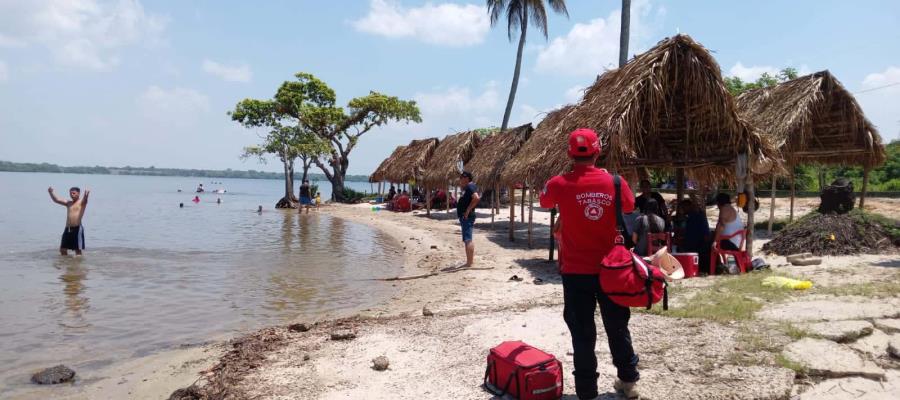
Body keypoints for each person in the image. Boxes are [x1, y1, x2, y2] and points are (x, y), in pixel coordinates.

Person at [539, 128, 641, 400]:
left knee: (582, 333)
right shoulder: (616, 183)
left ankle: (587, 392)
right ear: (598, 151)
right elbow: (629, 207)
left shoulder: (559, 183)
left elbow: (544, 199)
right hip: (612, 270)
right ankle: (628, 381)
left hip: (575, 272)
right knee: (617, 326)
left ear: (569, 154)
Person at [48, 186, 90, 256]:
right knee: (62, 249)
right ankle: (67, 262)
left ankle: (78, 262)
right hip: (68, 229)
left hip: (77, 228)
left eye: (73, 193)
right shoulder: (68, 203)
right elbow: (56, 200)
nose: (71, 195)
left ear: (78, 193)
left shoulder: (81, 202)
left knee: (77, 250)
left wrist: (86, 195)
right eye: (70, 193)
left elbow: (85, 201)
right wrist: (51, 192)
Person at [457, 171, 480, 268]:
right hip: (465, 217)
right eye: (460, 177)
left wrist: (467, 210)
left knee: (468, 240)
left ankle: (469, 263)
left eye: (463, 177)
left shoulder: (470, 186)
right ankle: (469, 261)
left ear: (467, 178)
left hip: (467, 217)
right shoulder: (467, 187)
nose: (461, 179)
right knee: (467, 239)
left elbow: (476, 198)